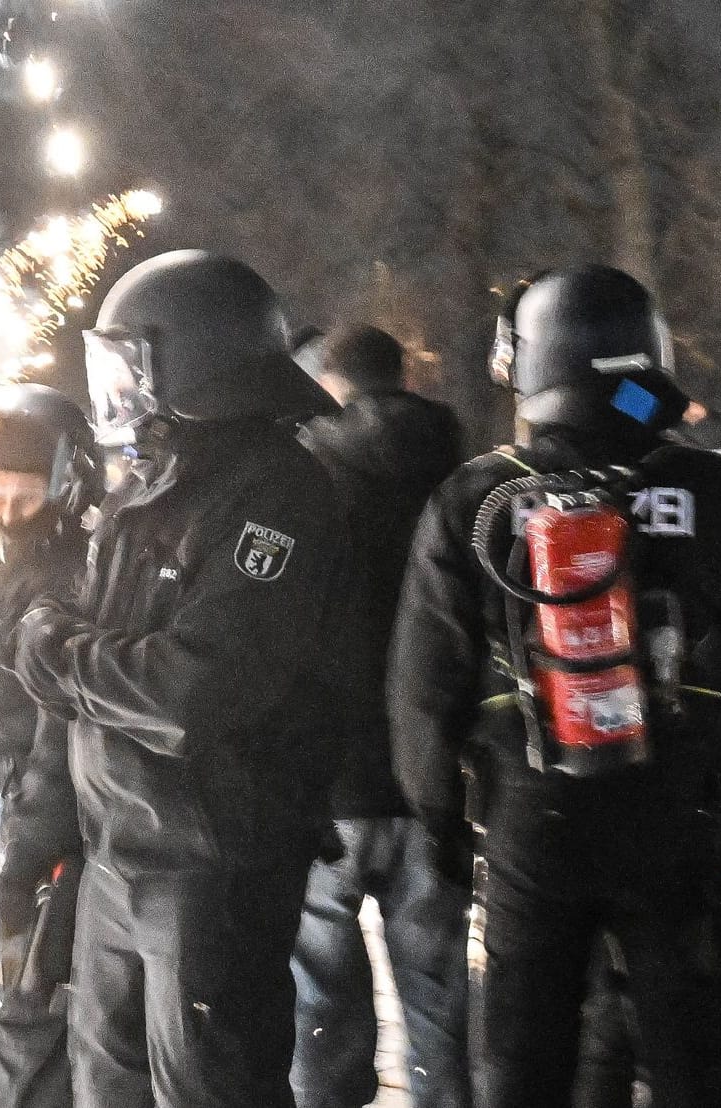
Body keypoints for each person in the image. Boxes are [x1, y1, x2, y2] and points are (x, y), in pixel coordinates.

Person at [389, 265, 721, 1108]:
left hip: (530, 822)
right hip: (678, 816)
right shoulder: (718, 492)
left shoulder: (478, 498)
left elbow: (424, 683)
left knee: (524, 1047)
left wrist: (437, 815)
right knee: (692, 1051)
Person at [10, 249, 346, 1108]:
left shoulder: (277, 495)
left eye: (131, 364)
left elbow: (194, 689)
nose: (116, 389)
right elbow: (96, 652)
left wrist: (56, 656)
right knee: (106, 1086)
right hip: (117, 856)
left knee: (211, 1086)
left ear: (194, 366)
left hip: (212, 868)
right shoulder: (144, 492)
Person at [289, 324, 470, 1108]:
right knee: (439, 1001)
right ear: (401, 376)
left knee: (320, 1003)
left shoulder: (304, 472)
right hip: (432, 779)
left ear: (333, 382)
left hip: (330, 783)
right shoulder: (456, 472)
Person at [0, 385, 102, 1108]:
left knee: (37, 1013)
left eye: (25, 491)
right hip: (30, 818)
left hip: (60, 833)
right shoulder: (14, 570)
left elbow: (62, 731)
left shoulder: (72, 578)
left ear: (66, 485)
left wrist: (37, 850)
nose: (7, 507)